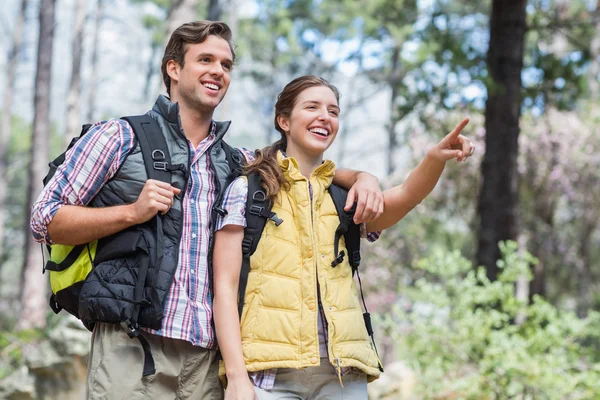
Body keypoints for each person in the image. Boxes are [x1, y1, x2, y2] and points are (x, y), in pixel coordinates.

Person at [30, 23, 384, 399]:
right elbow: (45, 219)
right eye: (206, 60)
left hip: (206, 362)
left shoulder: (241, 163)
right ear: (173, 68)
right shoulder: (118, 136)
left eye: (226, 64)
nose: (218, 70)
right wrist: (132, 212)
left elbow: (304, 169)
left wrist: (364, 176)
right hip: (132, 346)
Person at [212, 75, 474, 399]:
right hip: (268, 376)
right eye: (312, 107)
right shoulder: (249, 191)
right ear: (284, 120)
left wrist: (435, 158)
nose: (325, 116)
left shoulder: (345, 196)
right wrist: (237, 377)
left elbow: (406, 196)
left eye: (333, 111)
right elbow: (223, 287)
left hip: (342, 377)